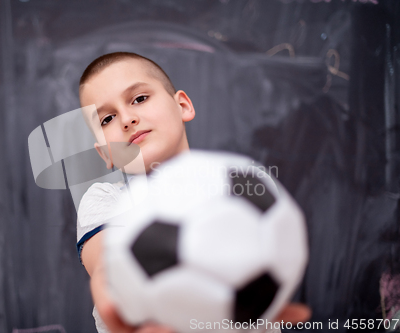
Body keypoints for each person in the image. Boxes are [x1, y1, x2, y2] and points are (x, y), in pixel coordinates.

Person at [76, 52, 311, 333]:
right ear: (105, 153)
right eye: (107, 119)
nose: (126, 119)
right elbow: (106, 267)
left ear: (183, 106)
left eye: (139, 99)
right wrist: (112, 296)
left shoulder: (240, 188)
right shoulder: (105, 201)